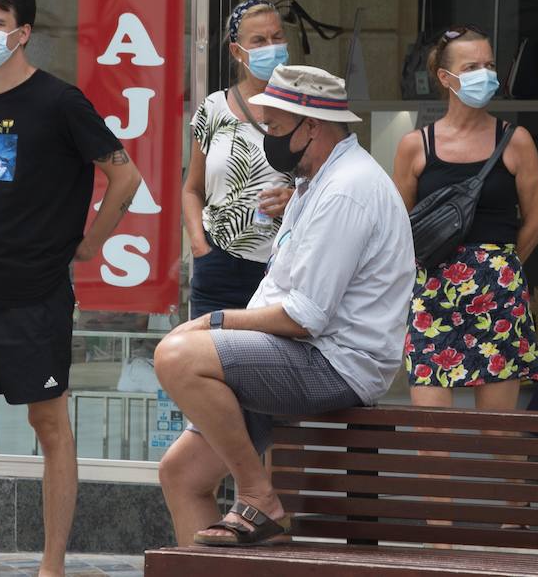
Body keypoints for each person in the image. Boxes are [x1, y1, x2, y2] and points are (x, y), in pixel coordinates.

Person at [155, 66, 414, 547]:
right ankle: (256, 516)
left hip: (336, 365)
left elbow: (303, 316)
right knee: (181, 474)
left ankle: (258, 497)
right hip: (304, 354)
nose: (268, 139)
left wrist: (213, 322)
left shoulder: (346, 190)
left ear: (311, 125)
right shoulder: (314, 181)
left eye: (274, 127)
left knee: (177, 356)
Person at [0, 0, 143, 577]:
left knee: (49, 425)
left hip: (37, 294)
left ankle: (51, 566)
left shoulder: (61, 103)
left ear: (23, 33)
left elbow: (123, 177)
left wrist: (91, 243)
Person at [392, 26, 538, 410]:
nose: (485, 74)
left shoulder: (516, 140)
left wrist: (499, 267)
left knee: (498, 437)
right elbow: (397, 229)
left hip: (497, 296)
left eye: (490, 64)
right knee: (433, 440)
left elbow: (537, 221)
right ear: (446, 78)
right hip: (432, 295)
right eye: (473, 66)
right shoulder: (415, 146)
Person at [181, 0, 295, 317]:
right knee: (209, 359)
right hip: (218, 264)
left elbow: (329, 187)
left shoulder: (304, 108)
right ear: (236, 51)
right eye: (258, 41)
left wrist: (295, 198)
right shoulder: (214, 109)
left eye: (277, 37)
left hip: (285, 265)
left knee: (272, 364)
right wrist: (198, 245)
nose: (270, 47)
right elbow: (192, 189)